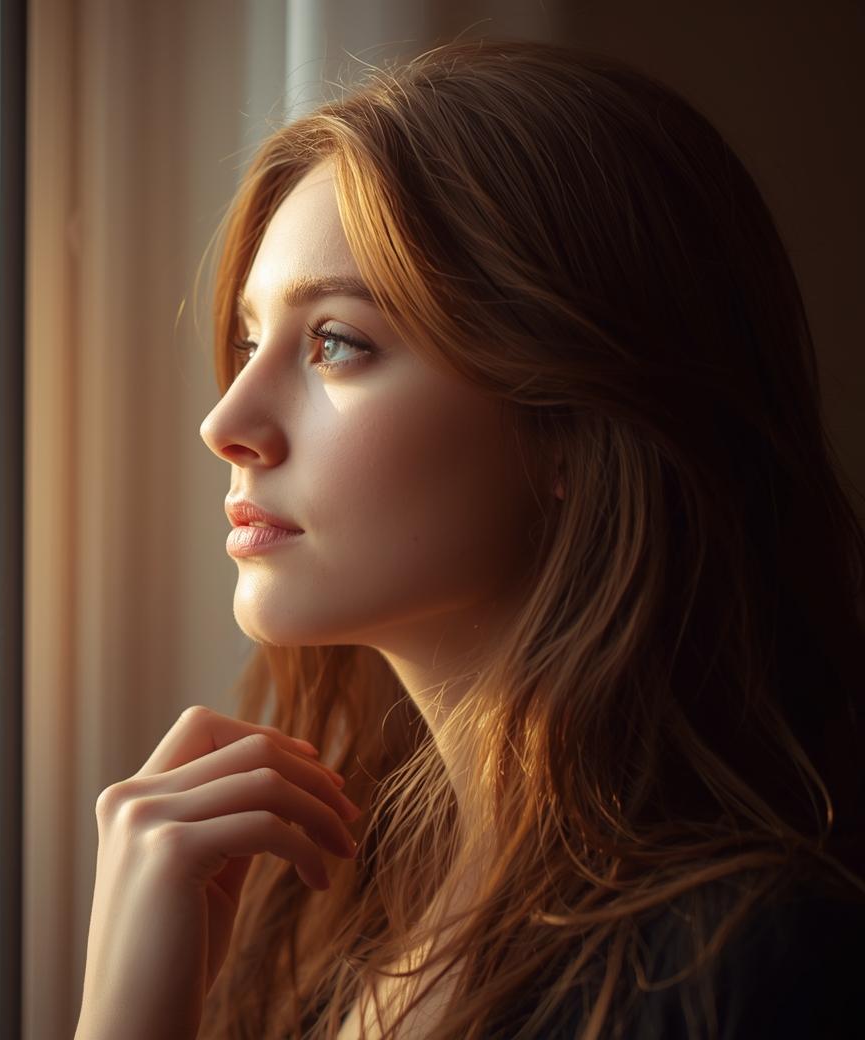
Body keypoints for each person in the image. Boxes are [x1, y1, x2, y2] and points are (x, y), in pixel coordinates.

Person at [75, 38, 865, 1040]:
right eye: (246, 338)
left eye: (334, 343)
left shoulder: (757, 971)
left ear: (572, 424)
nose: (226, 417)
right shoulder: (334, 904)